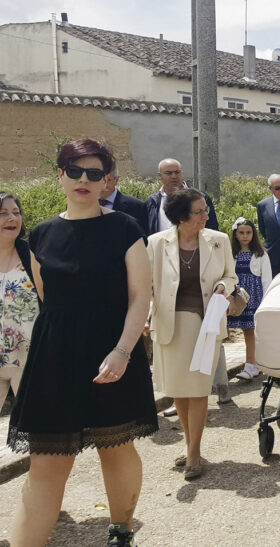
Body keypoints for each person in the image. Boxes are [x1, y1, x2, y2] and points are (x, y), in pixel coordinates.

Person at [7, 139, 157, 547]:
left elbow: (140, 296)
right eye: (75, 171)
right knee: (46, 463)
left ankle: (121, 528)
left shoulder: (124, 227)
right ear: (60, 175)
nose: (84, 180)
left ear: (106, 180)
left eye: (95, 173)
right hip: (54, 355)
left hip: (112, 349)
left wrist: (123, 351)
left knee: (116, 447)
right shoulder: (40, 235)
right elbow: (43, 298)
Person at [147, 188, 237, 480]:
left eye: (205, 211)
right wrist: (145, 317)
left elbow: (230, 275)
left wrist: (224, 287)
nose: (205, 216)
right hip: (169, 324)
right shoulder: (157, 243)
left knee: (198, 390)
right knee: (179, 391)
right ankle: (189, 446)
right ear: (181, 215)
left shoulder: (218, 241)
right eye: (199, 212)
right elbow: (147, 285)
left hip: (205, 324)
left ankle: (195, 453)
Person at [0, 192, 39, 413]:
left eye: (16, 212)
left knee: (37, 428)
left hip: (28, 359)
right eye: (3, 213)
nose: (12, 218)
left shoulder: (32, 253)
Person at [227, 217, 273, 381]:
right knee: (242, 331)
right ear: (236, 234)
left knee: (250, 331)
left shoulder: (260, 254)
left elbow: (266, 279)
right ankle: (254, 363)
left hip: (254, 295)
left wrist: (267, 301)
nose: (245, 236)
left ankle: (250, 365)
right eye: (241, 233)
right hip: (237, 295)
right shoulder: (231, 254)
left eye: (248, 233)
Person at [144, 158, 218, 235]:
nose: (173, 176)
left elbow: (212, 228)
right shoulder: (152, 201)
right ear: (159, 176)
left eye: (177, 172)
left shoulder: (200, 197)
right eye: (168, 173)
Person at [100, 164, 148, 236]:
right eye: (101, 180)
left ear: (116, 180)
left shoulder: (137, 206)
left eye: (109, 180)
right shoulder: (84, 204)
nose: (105, 185)